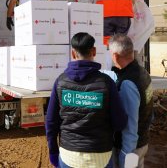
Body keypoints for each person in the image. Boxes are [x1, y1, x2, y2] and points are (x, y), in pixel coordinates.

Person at [46, 32, 127, 168]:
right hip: (100, 156)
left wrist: (53, 151)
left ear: (73, 54)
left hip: (68, 156)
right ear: (94, 51)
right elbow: (119, 122)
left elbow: (51, 122)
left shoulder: (61, 81)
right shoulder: (106, 83)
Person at [108, 34, 153, 168]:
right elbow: (150, 110)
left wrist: (126, 157)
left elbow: (130, 125)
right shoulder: (142, 72)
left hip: (130, 149)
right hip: (141, 142)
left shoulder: (128, 84)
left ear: (115, 56)